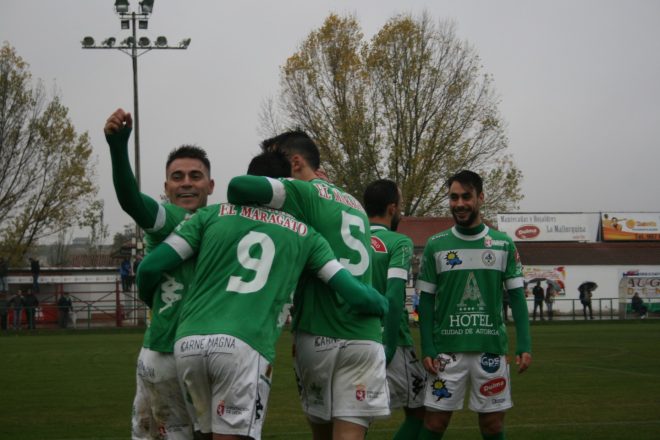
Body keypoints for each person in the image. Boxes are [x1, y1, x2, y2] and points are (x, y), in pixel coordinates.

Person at [136, 151, 388, 439]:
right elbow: (354, 294)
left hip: (188, 343)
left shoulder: (210, 215)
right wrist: (382, 303)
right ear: (280, 185)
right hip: (243, 345)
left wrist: (150, 301)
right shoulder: (305, 234)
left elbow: (150, 267)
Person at [228, 131, 390, 440]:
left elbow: (238, 186)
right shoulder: (354, 203)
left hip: (318, 333)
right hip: (364, 336)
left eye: (278, 160)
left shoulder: (301, 193)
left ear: (296, 162)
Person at [105, 108, 215, 440]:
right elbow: (130, 200)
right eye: (178, 177)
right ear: (165, 187)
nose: (186, 183)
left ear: (211, 184)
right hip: (165, 353)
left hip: (207, 354)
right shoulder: (167, 217)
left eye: (195, 176)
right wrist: (117, 147)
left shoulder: (221, 223)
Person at [415, 170, 531, 440]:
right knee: (434, 423)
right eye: (453, 197)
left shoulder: (502, 244)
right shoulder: (436, 245)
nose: (459, 204)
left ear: (481, 197)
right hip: (446, 353)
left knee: (493, 426)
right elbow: (427, 301)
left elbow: (516, 296)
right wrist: (429, 347)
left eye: (466, 197)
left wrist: (524, 343)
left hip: (489, 351)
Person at [364, 179, 426, 440]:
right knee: (423, 412)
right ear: (392, 208)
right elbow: (393, 295)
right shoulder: (399, 242)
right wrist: (388, 347)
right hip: (393, 339)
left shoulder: (350, 240)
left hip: (355, 337)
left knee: (354, 417)